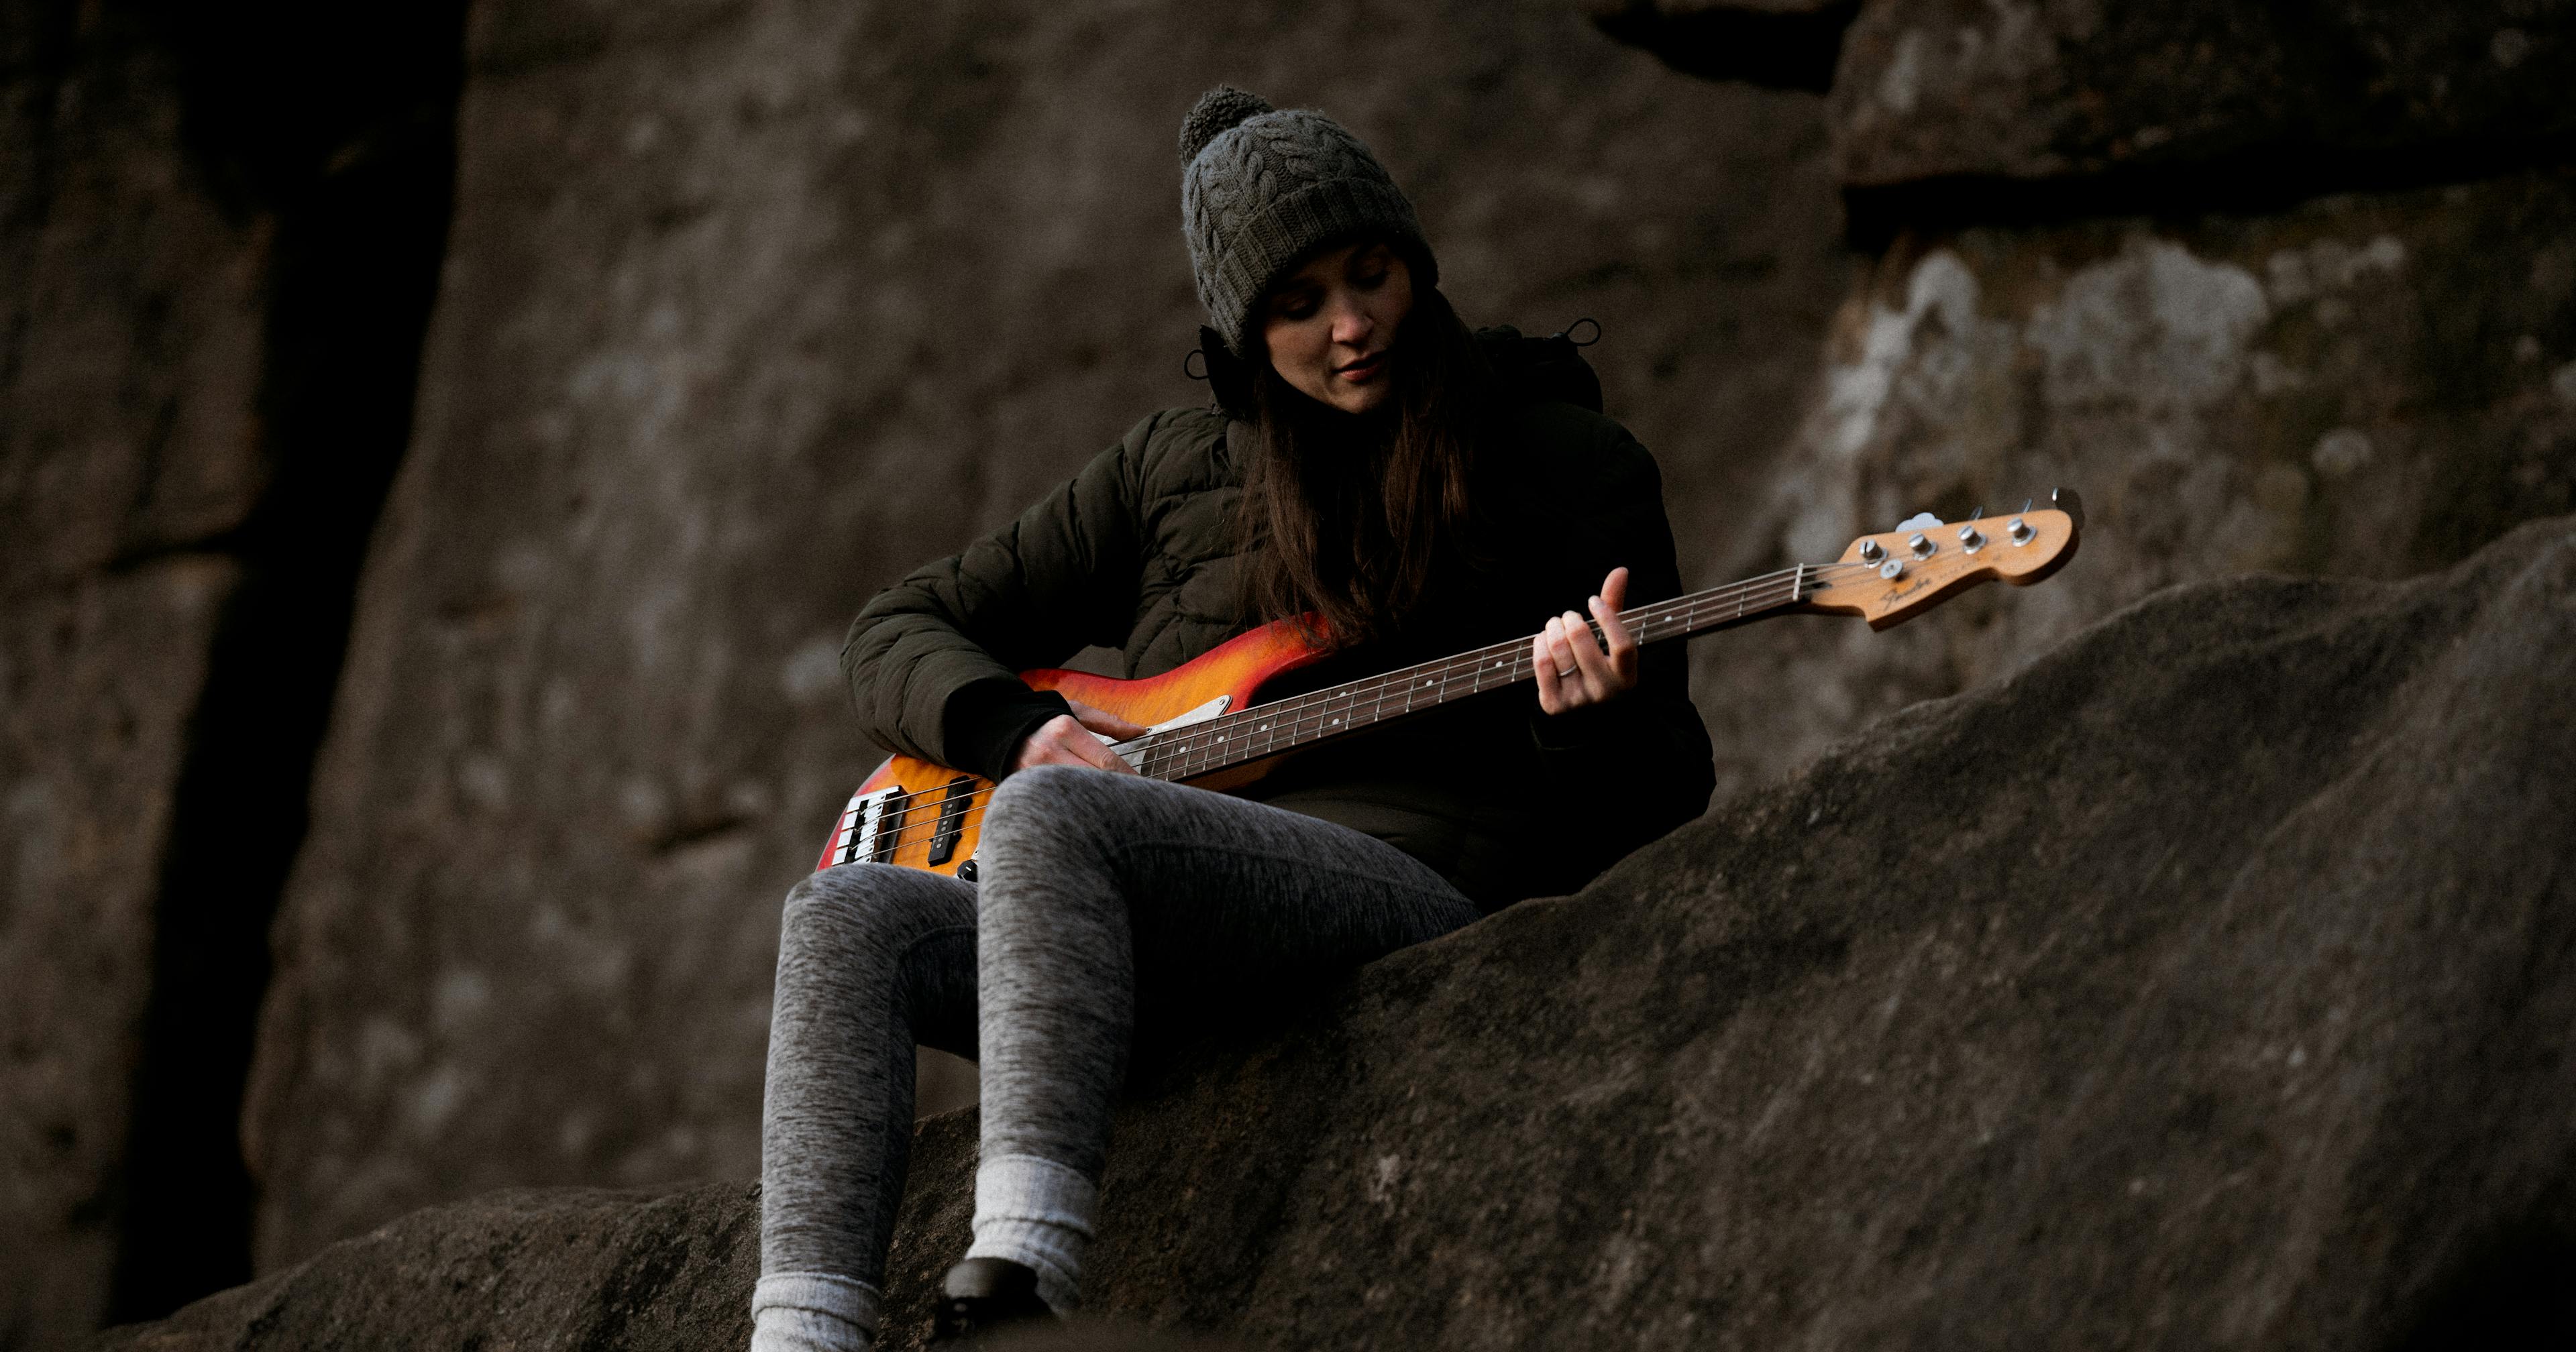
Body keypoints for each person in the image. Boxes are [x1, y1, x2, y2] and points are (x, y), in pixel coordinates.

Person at [751, 87, 1715, 1351]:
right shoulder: (1170, 469)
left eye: (1372, 276)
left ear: (1417, 265)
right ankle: (801, 1331)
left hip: (1419, 879)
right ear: (1239, 329)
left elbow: (1667, 788)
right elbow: (892, 628)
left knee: (1061, 817)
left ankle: (1020, 1274)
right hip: (1145, 904)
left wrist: (1588, 721)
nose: (1352, 325)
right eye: (1299, 303)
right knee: (848, 917)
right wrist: (1013, 732)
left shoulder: (1566, 459)